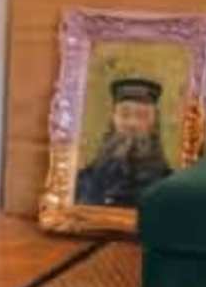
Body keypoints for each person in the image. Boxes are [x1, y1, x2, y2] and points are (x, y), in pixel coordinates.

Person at [74, 73, 177, 210]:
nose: (132, 124)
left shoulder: (171, 187)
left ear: (154, 124)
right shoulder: (83, 182)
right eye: (124, 114)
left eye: (141, 116)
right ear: (113, 120)